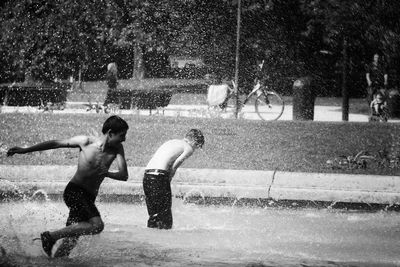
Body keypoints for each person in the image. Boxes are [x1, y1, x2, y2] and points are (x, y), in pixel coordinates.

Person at [7, 115, 129, 258]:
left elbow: (123, 175)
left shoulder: (117, 149)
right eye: (122, 135)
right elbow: (56, 143)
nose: (124, 139)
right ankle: (51, 236)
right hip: (75, 191)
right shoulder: (85, 142)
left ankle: (55, 260)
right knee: (97, 226)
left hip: (89, 197)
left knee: (70, 241)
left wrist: (107, 174)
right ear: (110, 133)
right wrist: (25, 150)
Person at [143, 129, 205, 230]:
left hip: (147, 176)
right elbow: (174, 167)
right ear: (194, 141)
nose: (195, 149)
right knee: (165, 218)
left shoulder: (172, 142)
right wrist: (168, 181)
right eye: (197, 146)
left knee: (153, 215)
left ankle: (150, 238)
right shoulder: (188, 148)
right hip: (159, 176)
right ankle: (164, 243)